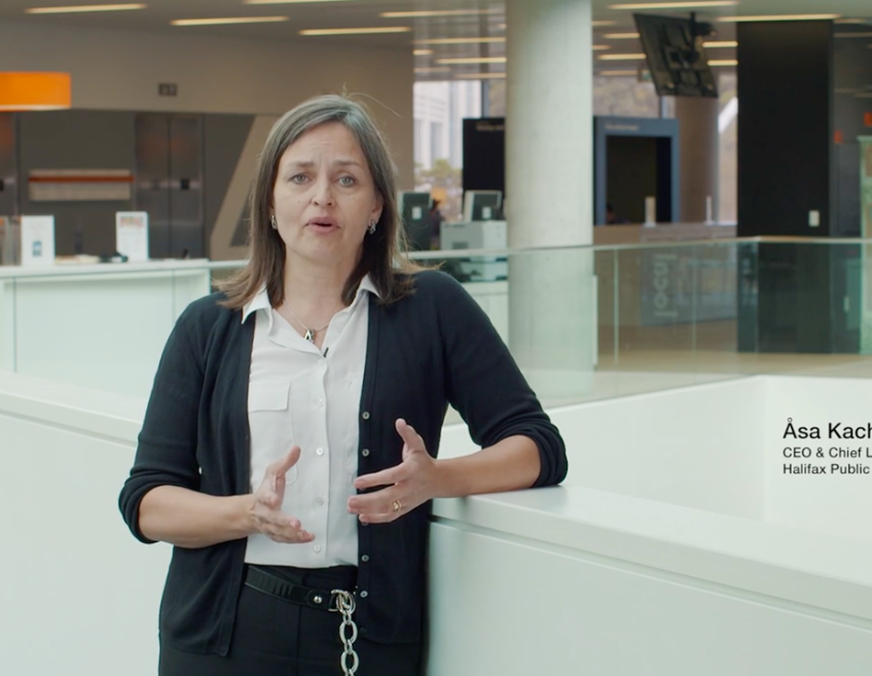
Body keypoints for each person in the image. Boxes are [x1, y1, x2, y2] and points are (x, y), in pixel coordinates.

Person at [117, 93, 567, 676]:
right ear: (271, 205)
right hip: (222, 635)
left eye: (347, 179)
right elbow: (147, 501)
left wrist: (437, 479)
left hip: (370, 634)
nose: (322, 196)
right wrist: (247, 513)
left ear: (377, 205)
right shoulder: (209, 327)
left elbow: (538, 446)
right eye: (300, 176)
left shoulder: (432, 309)